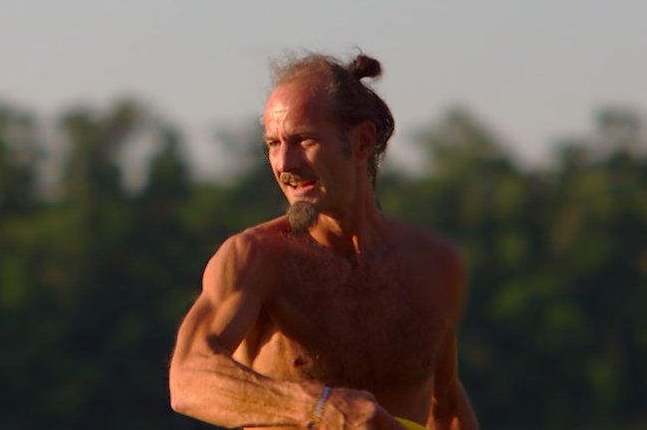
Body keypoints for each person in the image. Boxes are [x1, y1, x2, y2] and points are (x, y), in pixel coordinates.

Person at [169, 52, 478, 430]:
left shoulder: (430, 267)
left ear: (362, 140)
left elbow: (446, 404)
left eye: (304, 140)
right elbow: (188, 379)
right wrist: (318, 407)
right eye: (273, 144)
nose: (284, 163)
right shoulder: (255, 257)